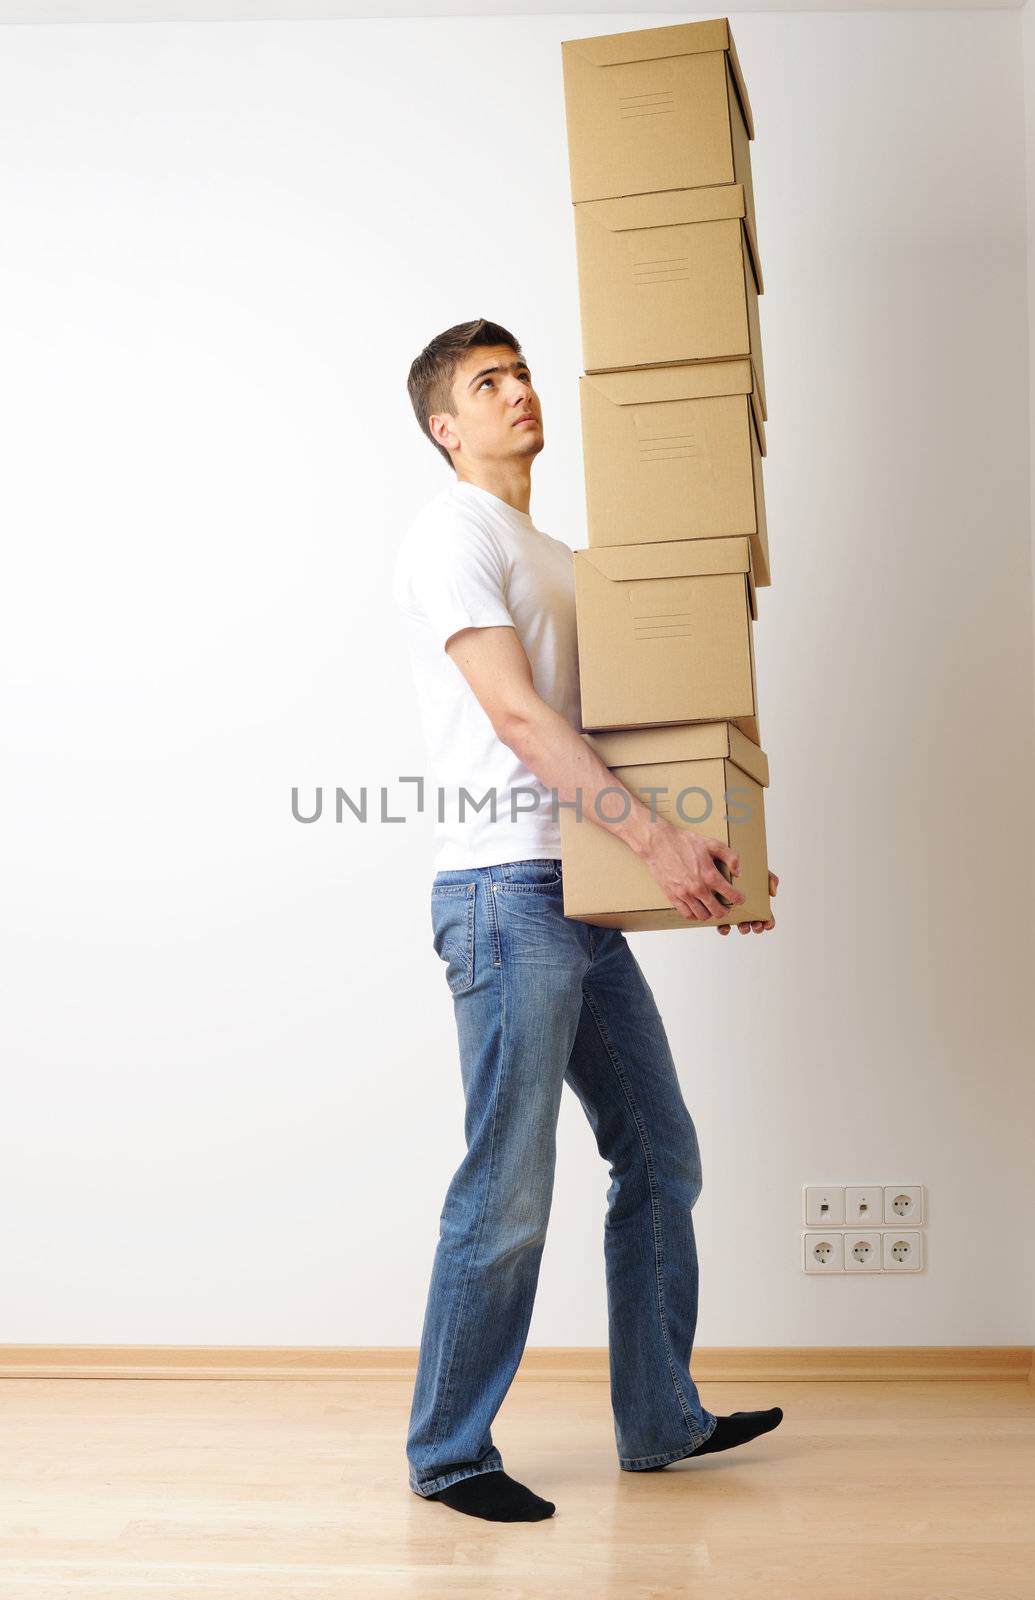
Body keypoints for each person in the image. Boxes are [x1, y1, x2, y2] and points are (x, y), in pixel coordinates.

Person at [392, 317, 782, 1524]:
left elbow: (612, 730)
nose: (518, 393)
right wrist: (655, 841)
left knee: (661, 1153)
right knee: (507, 1186)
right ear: (445, 427)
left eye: (519, 373)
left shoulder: (555, 549)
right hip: (505, 891)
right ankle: (450, 1453)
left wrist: (712, 859)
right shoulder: (451, 531)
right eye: (486, 383)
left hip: (577, 887)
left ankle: (659, 1418)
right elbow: (517, 717)